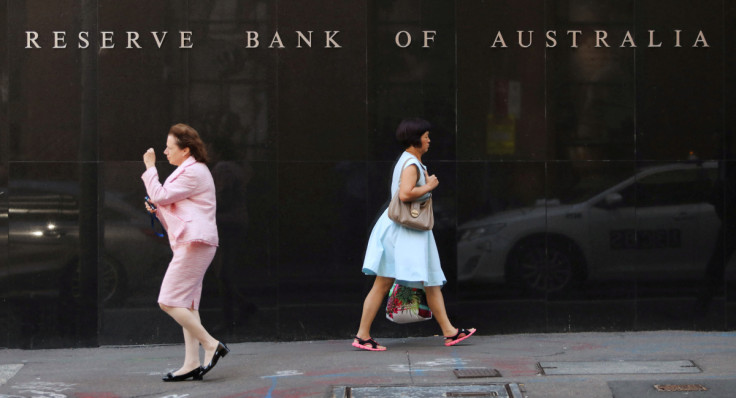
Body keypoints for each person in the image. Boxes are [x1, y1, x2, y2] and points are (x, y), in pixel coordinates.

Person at [353, 117, 476, 351]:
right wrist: (429, 186)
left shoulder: (411, 161)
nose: (429, 140)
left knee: (430, 281)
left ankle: (450, 331)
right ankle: (362, 335)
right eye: (426, 136)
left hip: (410, 232)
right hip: (405, 232)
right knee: (385, 282)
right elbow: (405, 195)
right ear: (415, 139)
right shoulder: (410, 163)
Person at [142, 123, 230, 381]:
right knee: (187, 304)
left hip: (195, 242)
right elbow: (171, 203)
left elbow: (159, 194)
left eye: (169, 148)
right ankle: (192, 363)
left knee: (168, 301)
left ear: (186, 149)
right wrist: (157, 210)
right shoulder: (189, 170)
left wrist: (150, 168)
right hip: (193, 241)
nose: (164, 152)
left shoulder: (193, 172)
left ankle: (211, 344)